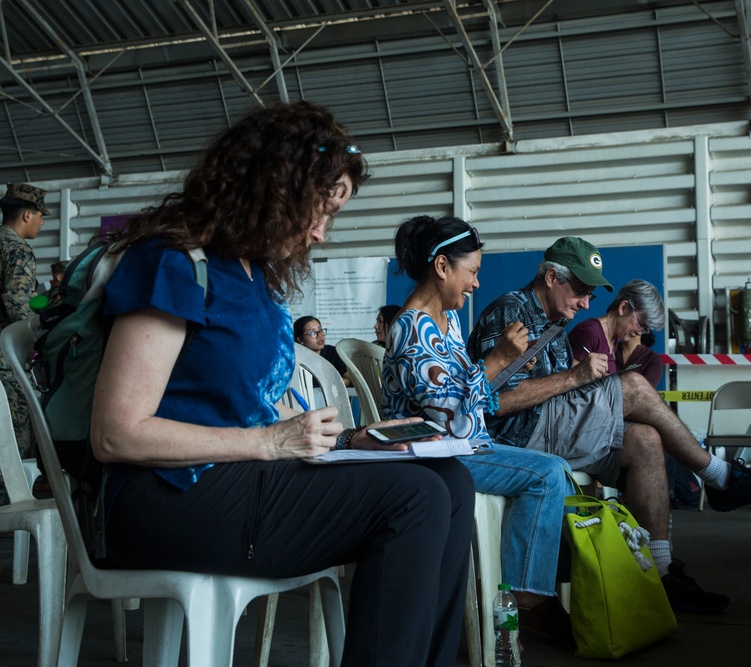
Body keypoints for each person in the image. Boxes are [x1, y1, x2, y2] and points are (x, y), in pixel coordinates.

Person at [89, 101, 475, 666]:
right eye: (316, 210)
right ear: (270, 188)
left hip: (240, 474)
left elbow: (260, 413)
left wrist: (348, 440)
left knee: (450, 479)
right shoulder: (174, 262)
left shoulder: (252, 276)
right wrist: (270, 442)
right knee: (413, 499)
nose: (320, 232)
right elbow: (116, 435)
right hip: (163, 495)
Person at [468, 236, 751, 614]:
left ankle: (661, 572)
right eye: (580, 291)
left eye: (591, 294)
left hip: (550, 428)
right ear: (552, 277)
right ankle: (721, 477)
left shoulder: (556, 323)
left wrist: (575, 382)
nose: (586, 303)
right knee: (636, 387)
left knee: (646, 439)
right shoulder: (511, 310)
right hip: (518, 436)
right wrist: (574, 379)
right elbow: (493, 405)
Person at [382, 215, 577, 642]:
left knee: (554, 469)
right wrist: (499, 359)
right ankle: (525, 601)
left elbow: (475, 400)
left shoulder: (447, 323)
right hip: (434, 457)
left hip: (463, 446)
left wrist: (494, 369)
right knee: (546, 475)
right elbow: (449, 418)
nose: (475, 284)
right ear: (441, 267)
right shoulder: (411, 327)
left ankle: (526, 591)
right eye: (471, 272)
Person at [0, 182, 47, 457]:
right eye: (41, 215)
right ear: (27, 215)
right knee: (11, 453)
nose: (41, 222)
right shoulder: (17, 249)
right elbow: (18, 304)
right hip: (6, 365)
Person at [567, 279, 666, 378]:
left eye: (645, 329)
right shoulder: (589, 333)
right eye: (640, 324)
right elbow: (568, 382)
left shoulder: (613, 341)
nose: (639, 333)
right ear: (623, 308)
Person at [293, 315, 352, 386]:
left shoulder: (332, 352)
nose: (320, 335)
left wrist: (326, 383)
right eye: (312, 333)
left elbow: (352, 380)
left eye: (320, 330)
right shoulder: (295, 359)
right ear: (300, 339)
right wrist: (335, 382)